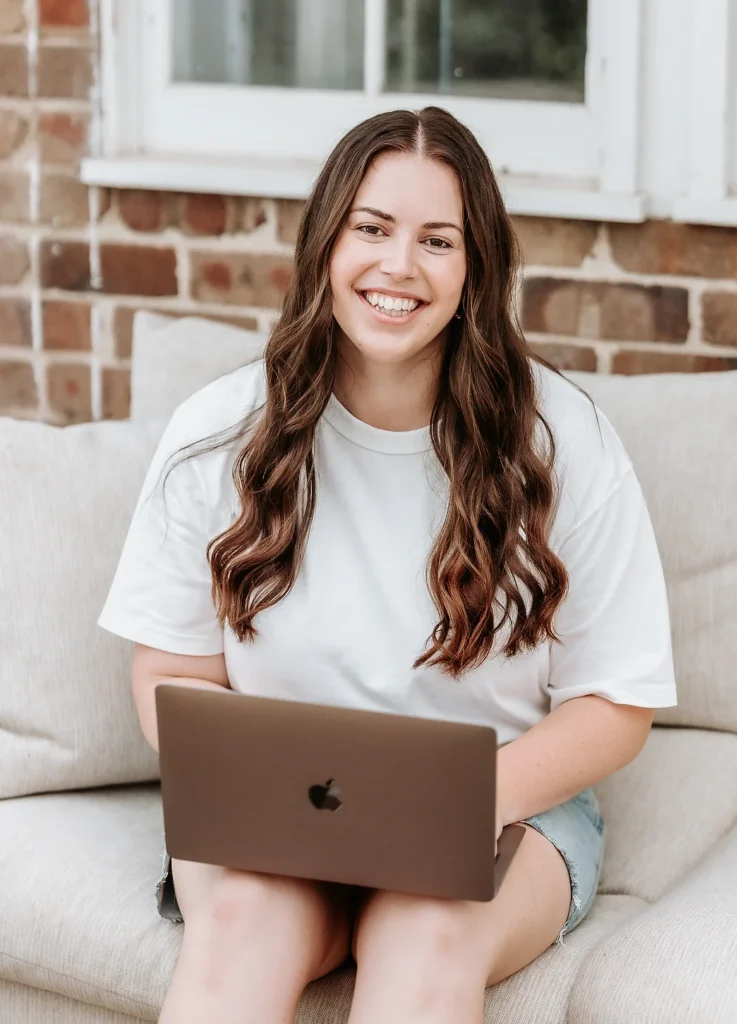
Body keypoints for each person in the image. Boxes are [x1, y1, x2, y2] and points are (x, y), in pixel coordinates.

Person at [98, 105, 677, 1024]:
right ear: (326, 241)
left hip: (499, 813)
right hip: (272, 820)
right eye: (371, 228)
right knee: (241, 924)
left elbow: (618, 703)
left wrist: (453, 805)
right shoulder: (218, 433)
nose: (398, 266)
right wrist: (277, 796)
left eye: (437, 240)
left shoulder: (563, 443)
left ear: (475, 266)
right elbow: (170, 670)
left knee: (425, 931)